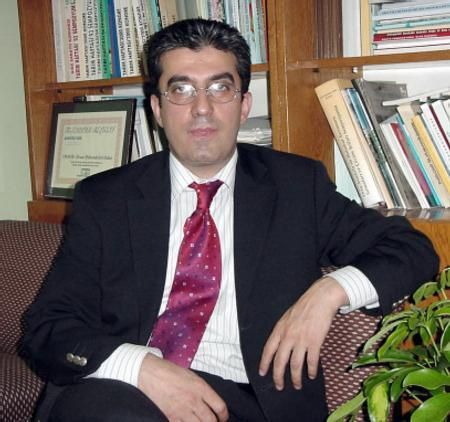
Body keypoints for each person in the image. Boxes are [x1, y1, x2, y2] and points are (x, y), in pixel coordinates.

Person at [23, 18, 438, 422]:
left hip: (251, 401)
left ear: (244, 105)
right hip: (128, 391)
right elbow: (47, 327)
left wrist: (329, 291)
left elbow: (411, 250)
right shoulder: (106, 198)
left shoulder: (296, 186)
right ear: (158, 109)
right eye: (181, 90)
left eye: (220, 88)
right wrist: (141, 368)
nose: (202, 108)